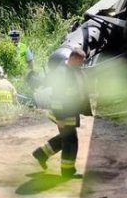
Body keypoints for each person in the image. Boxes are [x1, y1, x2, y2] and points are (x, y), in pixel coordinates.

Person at [31, 46, 91, 178]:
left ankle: (41, 153)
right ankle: (67, 171)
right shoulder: (62, 73)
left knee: (66, 138)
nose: (82, 64)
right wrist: (60, 118)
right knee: (71, 141)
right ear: (73, 58)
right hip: (63, 113)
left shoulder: (72, 69)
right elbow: (57, 98)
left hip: (69, 111)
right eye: (80, 61)